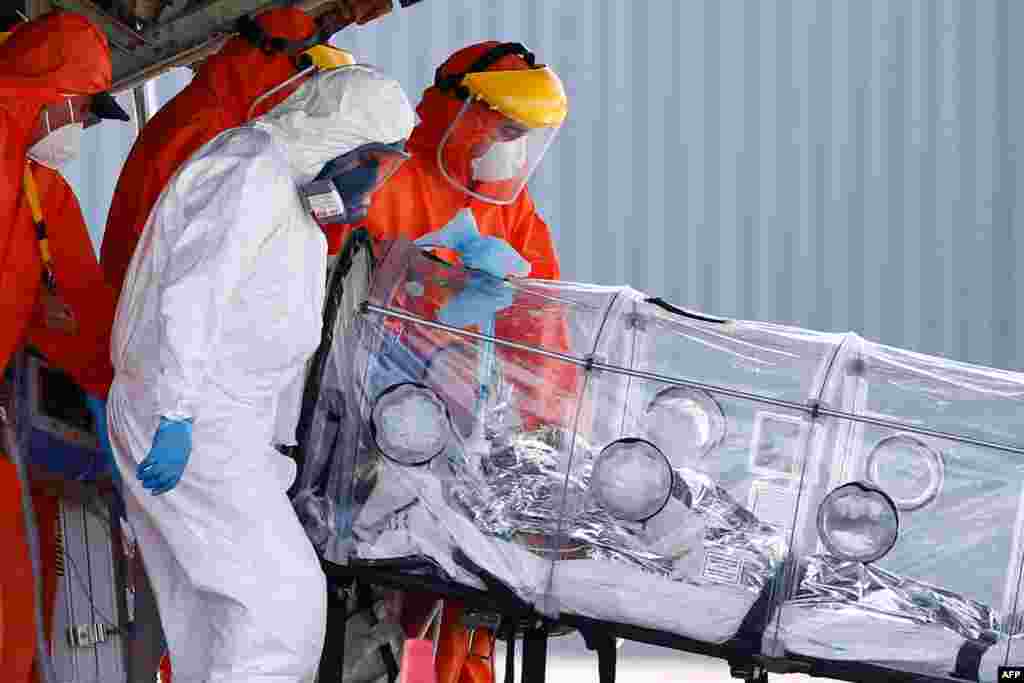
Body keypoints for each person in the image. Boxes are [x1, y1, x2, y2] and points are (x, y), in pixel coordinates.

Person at [106, 64, 415, 682]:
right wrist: (176, 412)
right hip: (192, 417)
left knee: (213, 614)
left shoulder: (288, 184)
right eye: (377, 163)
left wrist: (275, 451)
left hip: (219, 422)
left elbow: (273, 323)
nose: (374, 185)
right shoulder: (251, 171)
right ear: (343, 140)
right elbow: (195, 295)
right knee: (281, 607)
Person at [354, 40, 571, 683]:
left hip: (469, 447)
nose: (514, 145)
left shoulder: (510, 208)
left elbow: (543, 334)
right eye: (506, 128)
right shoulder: (384, 180)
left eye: (525, 133)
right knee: (365, 609)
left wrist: (545, 438)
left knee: (464, 615)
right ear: (464, 111)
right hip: (374, 444)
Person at [0, 12, 130, 682]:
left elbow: (75, 302)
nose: (80, 128)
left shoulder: (39, 187)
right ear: (46, 96)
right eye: (81, 109)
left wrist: (116, 394)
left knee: (15, 614)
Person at [101, 7, 355, 292]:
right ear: (276, 61)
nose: (305, 95)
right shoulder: (207, 133)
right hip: (154, 304)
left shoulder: (220, 117)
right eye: (306, 78)